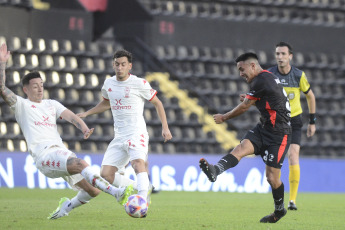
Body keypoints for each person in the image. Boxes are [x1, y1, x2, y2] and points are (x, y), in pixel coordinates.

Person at [0, 43, 134, 220]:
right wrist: (2, 64)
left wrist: (84, 128)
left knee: (93, 191)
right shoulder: (21, 105)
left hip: (61, 151)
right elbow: (2, 88)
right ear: (25, 89)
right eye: (35, 86)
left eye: (41, 85)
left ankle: (66, 207)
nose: (40, 89)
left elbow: (71, 117)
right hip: (44, 155)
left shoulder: (51, 104)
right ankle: (118, 193)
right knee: (79, 163)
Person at [199, 52, 292, 223]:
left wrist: (224, 117)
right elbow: (271, 102)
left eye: (242, 69)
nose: (241, 74)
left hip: (279, 134)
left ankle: (279, 210)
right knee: (241, 148)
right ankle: (215, 170)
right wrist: (254, 100)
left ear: (253, 66)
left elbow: (243, 108)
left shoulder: (261, 80)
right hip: (264, 128)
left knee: (272, 178)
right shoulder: (266, 78)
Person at [77, 49, 172, 205]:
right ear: (113, 65)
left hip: (136, 133)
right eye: (116, 64)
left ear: (130, 66)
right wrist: (87, 113)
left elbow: (158, 103)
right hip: (119, 136)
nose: (119, 68)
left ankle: (142, 199)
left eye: (123, 64)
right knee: (106, 175)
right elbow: (107, 103)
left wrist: (165, 128)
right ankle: (143, 187)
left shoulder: (139, 83)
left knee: (137, 163)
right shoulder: (108, 83)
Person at [267, 42, 316, 210]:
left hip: (294, 121)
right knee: (278, 160)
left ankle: (292, 200)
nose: (280, 57)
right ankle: (278, 196)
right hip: (277, 121)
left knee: (293, 155)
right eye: (277, 54)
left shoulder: (298, 75)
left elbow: (311, 96)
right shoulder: (270, 74)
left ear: (290, 56)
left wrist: (312, 121)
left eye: (283, 54)